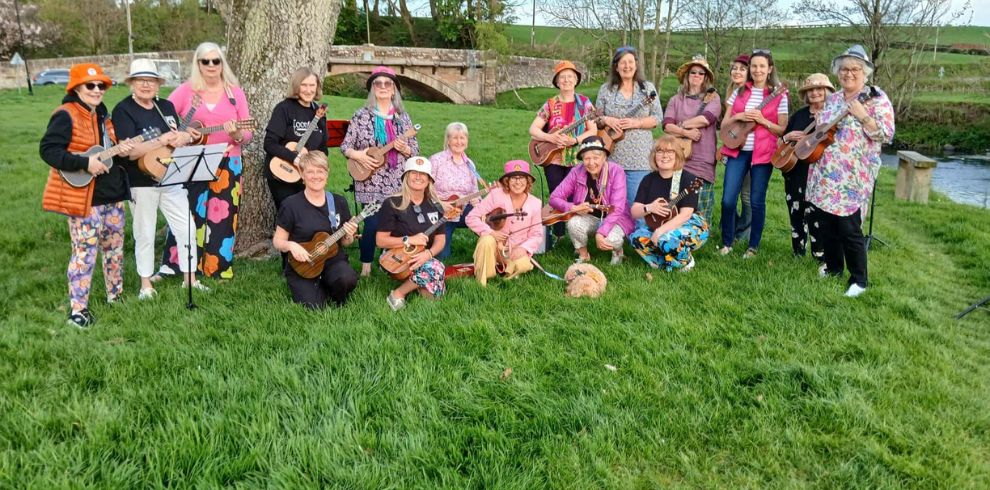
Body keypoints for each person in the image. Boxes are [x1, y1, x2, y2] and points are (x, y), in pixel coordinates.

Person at [39, 63, 133, 328]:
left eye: (101, 85)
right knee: (84, 253)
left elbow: (107, 152)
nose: (96, 90)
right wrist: (84, 163)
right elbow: (48, 150)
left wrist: (121, 149)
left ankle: (115, 296)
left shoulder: (103, 115)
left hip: (112, 194)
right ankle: (78, 310)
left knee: (114, 249)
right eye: (90, 85)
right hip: (84, 198)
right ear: (76, 88)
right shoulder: (65, 115)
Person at [111, 58, 207, 300]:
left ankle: (190, 279)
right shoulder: (123, 110)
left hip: (171, 175)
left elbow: (176, 137)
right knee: (145, 232)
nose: (146, 85)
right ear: (132, 83)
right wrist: (160, 140)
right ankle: (146, 285)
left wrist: (184, 137)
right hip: (141, 181)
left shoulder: (166, 106)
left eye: (151, 81)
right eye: (140, 80)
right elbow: (129, 152)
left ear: (158, 84)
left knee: (187, 228)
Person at [159, 41, 253, 279]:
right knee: (187, 212)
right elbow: (163, 116)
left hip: (227, 161)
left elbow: (248, 133)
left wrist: (237, 134)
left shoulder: (234, 94)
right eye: (205, 61)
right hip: (191, 160)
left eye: (216, 60)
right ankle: (177, 264)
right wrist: (181, 132)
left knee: (223, 216)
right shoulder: (186, 91)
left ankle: (216, 267)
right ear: (198, 64)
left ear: (222, 63)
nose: (211, 65)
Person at [806, 45, 895, 297]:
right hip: (825, 172)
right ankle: (834, 268)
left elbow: (886, 134)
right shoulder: (833, 99)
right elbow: (822, 129)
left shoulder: (877, 99)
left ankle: (859, 280)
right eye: (844, 69)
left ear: (865, 72)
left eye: (855, 69)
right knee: (827, 224)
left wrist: (863, 116)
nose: (849, 73)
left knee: (849, 227)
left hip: (854, 176)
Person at [342, 66, 420, 277]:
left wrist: (406, 149)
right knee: (372, 223)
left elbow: (415, 151)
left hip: (397, 181)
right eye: (378, 83)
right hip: (369, 180)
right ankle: (366, 266)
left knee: (396, 222)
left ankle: (390, 260)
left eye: (388, 84)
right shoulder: (361, 116)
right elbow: (346, 146)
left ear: (394, 89)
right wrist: (359, 156)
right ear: (372, 88)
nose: (383, 87)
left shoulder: (403, 118)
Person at [718, 49, 789, 258]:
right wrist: (739, 116)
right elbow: (725, 123)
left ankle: (753, 246)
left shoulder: (779, 95)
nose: (757, 70)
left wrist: (763, 121)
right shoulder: (739, 91)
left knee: (757, 200)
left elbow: (782, 130)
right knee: (728, 200)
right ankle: (727, 242)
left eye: (762, 66)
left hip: (763, 154)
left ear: (770, 69)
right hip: (737, 151)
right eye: (754, 66)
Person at [273, 152, 358, 308]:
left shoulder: (338, 202)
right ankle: (315, 286)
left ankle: (331, 283)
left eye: (320, 171)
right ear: (302, 175)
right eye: (310, 172)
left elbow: (346, 243)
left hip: (332, 259)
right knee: (313, 305)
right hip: (304, 263)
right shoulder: (290, 205)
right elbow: (278, 241)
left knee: (347, 280)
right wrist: (291, 245)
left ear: (327, 173)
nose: (316, 176)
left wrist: (349, 235)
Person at [528, 60, 597, 243]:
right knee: (556, 194)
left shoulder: (585, 103)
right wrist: (550, 138)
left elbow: (593, 130)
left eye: (570, 77)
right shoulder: (550, 104)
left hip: (577, 158)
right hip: (553, 158)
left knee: (576, 195)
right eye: (562, 77)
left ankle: (576, 234)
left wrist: (575, 140)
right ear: (557, 82)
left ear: (576, 80)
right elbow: (533, 129)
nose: (566, 80)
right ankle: (558, 234)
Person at [596, 46, 663, 214]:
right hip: (611, 155)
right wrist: (607, 119)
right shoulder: (606, 89)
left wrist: (636, 122)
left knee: (637, 203)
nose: (627, 66)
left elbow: (657, 117)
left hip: (639, 157)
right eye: (622, 62)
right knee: (614, 204)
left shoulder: (647, 88)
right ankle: (615, 230)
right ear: (616, 66)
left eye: (630, 62)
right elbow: (596, 118)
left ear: (636, 64)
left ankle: (640, 231)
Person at [548, 136, 634, 265]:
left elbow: (617, 209)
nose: (591, 162)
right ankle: (583, 255)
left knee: (610, 239)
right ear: (582, 159)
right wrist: (573, 207)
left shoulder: (616, 171)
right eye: (587, 158)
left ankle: (618, 252)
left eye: (596, 157)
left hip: (615, 218)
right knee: (573, 223)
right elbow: (554, 198)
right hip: (590, 217)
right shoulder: (576, 171)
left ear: (604, 157)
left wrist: (601, 233)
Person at [628, 136, 709, 271]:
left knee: (665, 239)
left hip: (690, 224)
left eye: (670, 152)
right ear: (654, 156)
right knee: (636, 238)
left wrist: (660, 231)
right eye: (660, 151)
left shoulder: (687, 179)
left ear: (677, 156)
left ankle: (686, 261)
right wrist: (649, 207)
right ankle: (664, 262)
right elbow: (634, 212)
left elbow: (685, 215)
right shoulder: (648, 179)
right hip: (661, 224)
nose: (664, 156)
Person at [663, 54, 721, 224]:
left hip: (702, 159)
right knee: (676, 200)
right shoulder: (675, 100)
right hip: (678, 157)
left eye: (701, 73)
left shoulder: (713, 98)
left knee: (700, 205)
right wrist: (686, 132)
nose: (696, 75)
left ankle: (700, 233)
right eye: (693, 72)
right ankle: (674, 232)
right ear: (687, 76)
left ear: (705, 78)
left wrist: (679, 126)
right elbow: (666, 125)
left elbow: (706, 119)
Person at [780, 73, 833, 261]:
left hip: (820, 171)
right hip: (796, 171)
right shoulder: (800, 115)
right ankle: (798, 253)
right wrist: (787, 137)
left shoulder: (832, 114)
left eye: (819, 89)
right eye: (810, 90)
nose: (814, 93)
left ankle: (820, 254)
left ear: (827, 91)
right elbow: (782, 143)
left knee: (817, 214)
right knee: (796, 211)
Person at [466, 160, 545, 286]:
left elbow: (537, 234)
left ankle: (506, 274)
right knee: (486, 240)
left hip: (515, 250)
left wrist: (524, 248)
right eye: (513, 178)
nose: (518, 182)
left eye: (522, 178)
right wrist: (491, 233)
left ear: (528, 181)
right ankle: (482, 280)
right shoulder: (496, 195)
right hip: (494, 247)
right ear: (507, 181)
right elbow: (471, 217)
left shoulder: (535, 203)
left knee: (523, 265)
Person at [264, 67, 328, 210]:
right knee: (290, 214)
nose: (308, 90)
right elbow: (269, 144)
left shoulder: (319, 113)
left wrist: (319, 167)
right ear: (296, 86)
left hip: (307, 175)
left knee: (309, 215)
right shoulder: (284, 109)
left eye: (312, 85)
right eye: (304, 85)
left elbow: (323, 148)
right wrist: (295, 159)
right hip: (283, 172)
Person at [430, 122, 486, 260]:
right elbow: (426, 188)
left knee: (489, 219)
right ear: (448, 140)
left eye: (462, 138)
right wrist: (441, 204)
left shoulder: (469, 164)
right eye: (455, 138)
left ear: (467, 140)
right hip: (441, 210)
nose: (459, 142)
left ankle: (487, 250)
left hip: (463, 209)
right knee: (442, 256)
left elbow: (474, 190)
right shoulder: (436, 160)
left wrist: (476, 201)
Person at [722, 53, 753, 244]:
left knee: (746, 194)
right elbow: (727, 125)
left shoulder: (752, 94)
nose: (737, 71)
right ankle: (731, 228)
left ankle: (744, 232)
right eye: (734, 68)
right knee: (730, 194)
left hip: (749, 148)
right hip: (733, 146)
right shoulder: (732, 92)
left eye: (742, 69)